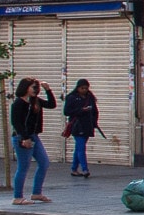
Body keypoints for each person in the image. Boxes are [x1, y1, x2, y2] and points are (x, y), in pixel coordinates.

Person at [10, 77, 55, 205]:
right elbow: (16, 122)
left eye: (36, 87)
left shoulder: (35, 101)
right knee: (23, 166)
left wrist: (48, 90)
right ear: (25, 88)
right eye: (33, 87)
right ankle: (17, 197)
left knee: (44, 162)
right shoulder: (19, 103)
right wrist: (25, 138)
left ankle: (36, 193)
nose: (35, 90)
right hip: (22, 137)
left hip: (34, 136)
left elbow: (51, 105)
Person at [62, 78, 101, 178]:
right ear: (78, 88)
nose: (84, 90)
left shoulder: (90, 98)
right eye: (82, 88)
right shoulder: (72, 97)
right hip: (77, 126)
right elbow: (66, 112)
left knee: (79, 148)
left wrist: (94, 122)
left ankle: (74, 169)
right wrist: (81, 110)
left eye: (86, 88)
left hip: (87, 126)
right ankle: (85, 169)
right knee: (81, 147)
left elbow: (95, 111)